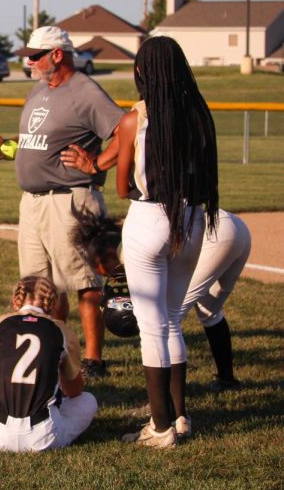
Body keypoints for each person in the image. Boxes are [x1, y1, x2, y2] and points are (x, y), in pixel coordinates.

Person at [0, 25, 124, 378]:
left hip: (70, 200)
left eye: (35, 56)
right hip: (32, 202)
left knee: (82, 281)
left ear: (57, 55)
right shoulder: (39, 89)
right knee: (39, 284)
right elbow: (36, 140)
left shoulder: (85, 91)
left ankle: (93, 361)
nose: (29, 63)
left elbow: (126, 131)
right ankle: (54, 349)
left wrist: (97, 164)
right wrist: (6, 145)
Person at [114, 35, 219, 448]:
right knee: (173, 319)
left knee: (152, 327)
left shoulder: (134, 120)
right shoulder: (199, 114)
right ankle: (179, 416)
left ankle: (158, 428)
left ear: (142, 71)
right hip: (193, 219)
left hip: (149, 217)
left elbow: (122, 186)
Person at [67, 164, 249, 394]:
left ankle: (165, 406)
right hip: (233, 228)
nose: (111, 279)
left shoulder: (130, 250)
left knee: (165, 322)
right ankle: (227, 380)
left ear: (106, 257)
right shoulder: (129, 237)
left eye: (105, 272)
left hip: (214, 236)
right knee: (209, 310)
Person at [0, 276, 97, 452]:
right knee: (88, 400)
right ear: (52, 304)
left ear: (16, 300)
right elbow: (74, 392)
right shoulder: (62, 331)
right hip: (44, 437)